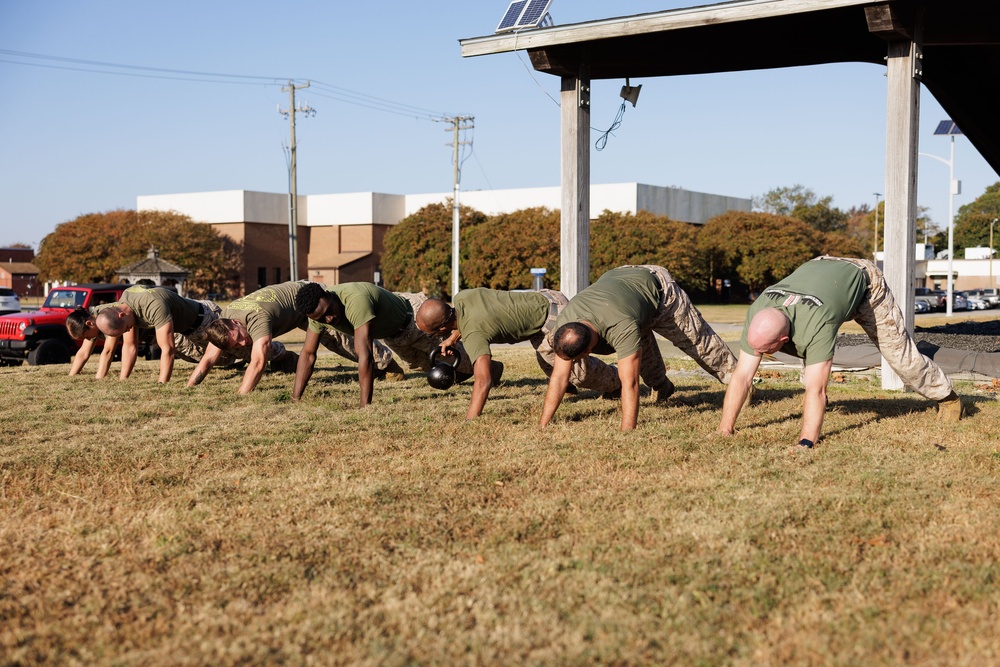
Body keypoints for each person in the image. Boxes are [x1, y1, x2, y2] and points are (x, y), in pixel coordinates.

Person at [717, 256, 966, 447]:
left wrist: (806, 442)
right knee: (805, 352)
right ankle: (730, 426)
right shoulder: (758, 313)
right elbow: (742, 376)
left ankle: (947, 397)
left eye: (766, 351)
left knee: (898, 355)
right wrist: (724, 429)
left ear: (783, 338)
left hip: (864, 281)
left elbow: (818, 389)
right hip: (821, 268)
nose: (761, 356)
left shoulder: (818, 323)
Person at [541, 265, 738, 431]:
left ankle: (740, 385)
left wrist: (627, 431)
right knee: (643, 353)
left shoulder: (621, 328)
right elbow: (559, 378)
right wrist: (543, 425)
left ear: (587, 352)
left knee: (701, 345)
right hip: (626, 294)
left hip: (661, 293)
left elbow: (630, 383)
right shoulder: (567, 327)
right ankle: (662, 387)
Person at [415, 288, 621, 419]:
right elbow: (470, 319)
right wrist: (453, 339)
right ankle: (566, 388)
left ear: (442, 328)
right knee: (547, 362)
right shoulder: (462, 298)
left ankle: (618, 382)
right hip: (545, 297)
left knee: (573, 372)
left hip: (550, 317)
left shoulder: (474, 334)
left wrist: (470, 420)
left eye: (434, 334)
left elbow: (483, 381)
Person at [186, 280, 402, 395]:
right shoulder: (227, 320)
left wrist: (241, 395)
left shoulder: (256, 319)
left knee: (343, 341)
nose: (242, 342)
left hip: (309, 300)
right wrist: (190, 387)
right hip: (290, 312)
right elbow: (208, 357)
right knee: (248, 349)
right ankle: (287, 361)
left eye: (240, 337)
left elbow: (259, 362)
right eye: (236, 343)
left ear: (236, 324)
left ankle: (387, 366)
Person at [292, 281, 473, 406]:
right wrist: (295, 398)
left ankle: (490, 371)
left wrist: (365, 407)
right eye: (322, 318)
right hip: (395, 336)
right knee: (436, 370)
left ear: (328, 295)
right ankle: (470, 375)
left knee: (464, 362)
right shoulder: (318, 315)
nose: (329, 319)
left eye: (329, 311)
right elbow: (308, 354)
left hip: (415, 320)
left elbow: (365, 355)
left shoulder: (356, 300)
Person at [96, 285, 222, 383]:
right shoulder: (125, 302)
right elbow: (129, 346)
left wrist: (162, 384)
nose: (128, 330)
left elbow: (168, 349)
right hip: (186, 329)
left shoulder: (153, 306)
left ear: (121, 315)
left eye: (125, 328)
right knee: (213, 359)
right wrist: (123, 380)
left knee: (227, 356)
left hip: (206, 320)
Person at [65, 306, 118, 378]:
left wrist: (99, 379)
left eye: (86, 336)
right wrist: (71, 376)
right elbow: (83, 353)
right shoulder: (94, 321)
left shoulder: (107, 318)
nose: (88, 339)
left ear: (89, 324)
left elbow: (108, 351)